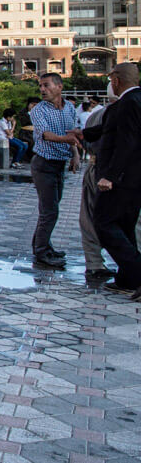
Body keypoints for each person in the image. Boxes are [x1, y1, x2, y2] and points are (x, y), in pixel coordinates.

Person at [91, 63, 141, 299]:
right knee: (124, 227)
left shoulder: (128, 103)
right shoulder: (136, 100)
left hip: (121, 178)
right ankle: (127, 279)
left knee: (104, 223)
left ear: (117, 81)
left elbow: (127, 142)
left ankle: (136, 273)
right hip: (134, 178)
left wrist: (110, 176)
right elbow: (111, 130)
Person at [29, 73, 82, 269]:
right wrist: (67, 141)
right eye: (40, 86)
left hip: (59, 163)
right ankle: (42, 252)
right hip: (44, 163)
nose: (42, 90)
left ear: (59, 86)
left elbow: (71, 132)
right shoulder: (38, 111)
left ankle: (41, 245)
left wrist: (74, 153)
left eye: (46, 85)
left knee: (50, 208)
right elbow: (46, 135)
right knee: (49, 210)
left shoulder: (69, 107)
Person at [78, 90, 116, 285]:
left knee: (89, 218)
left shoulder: (96, 115)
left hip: (94, 168)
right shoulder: (127, 112)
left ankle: (94, 263)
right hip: (120, 173)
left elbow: (85, 141)